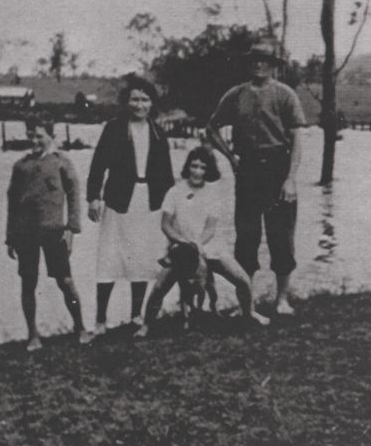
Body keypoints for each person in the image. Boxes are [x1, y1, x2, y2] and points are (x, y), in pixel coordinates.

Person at [204, 38, 306, 316]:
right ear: (249, 64)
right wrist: (231, 157)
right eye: (255, 60)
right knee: (246, 238)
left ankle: (282, 299)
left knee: (281, 237)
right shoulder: (235, 95)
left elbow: (297, 137)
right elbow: (211, 128)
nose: (259, 65)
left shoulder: (285, 95)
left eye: (265, 61)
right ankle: (245, 303)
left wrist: (291, 178)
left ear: (273, 66)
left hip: (278, 168)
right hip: (247, 170)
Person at [135, 147, 269, 337]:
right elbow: (166, 225)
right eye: (194, 166)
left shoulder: (213, 193)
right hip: (180, 248)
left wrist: (198, 245)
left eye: (202, 167)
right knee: (158, 289)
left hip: (209, 247)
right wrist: (182, 242)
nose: (197, 171)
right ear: (188, 167)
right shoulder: (175, 192)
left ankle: (250, 313)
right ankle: (146, 325)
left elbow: (210, 228)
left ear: (209, 171)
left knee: (243, 280)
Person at [87, 76, 175, 334]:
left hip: (148, 201)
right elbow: (98, 165)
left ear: (152, 103)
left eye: (145, 99)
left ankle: (136, 316)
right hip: (117, 199)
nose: (139, 105)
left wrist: (172, 207)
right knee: (109, 259)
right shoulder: (114, 128)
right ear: (126, 102)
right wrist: (94, 197)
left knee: (141, 258)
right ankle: (101, 320)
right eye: (135, 99)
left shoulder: (158, 132)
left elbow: (167, 175)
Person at [6, 113, 94, 351]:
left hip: (54, 231)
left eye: (40, 136)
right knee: (28, 282)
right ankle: (33, 335)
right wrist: (10, 237)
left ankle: (81, 327)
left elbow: (75, 195)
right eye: (30, 135)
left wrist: (72, 229)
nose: (35, 140)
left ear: (51, 136)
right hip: (25, 233)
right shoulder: (20, 166)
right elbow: (12, 203)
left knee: (65, 281)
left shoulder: (61, 161)